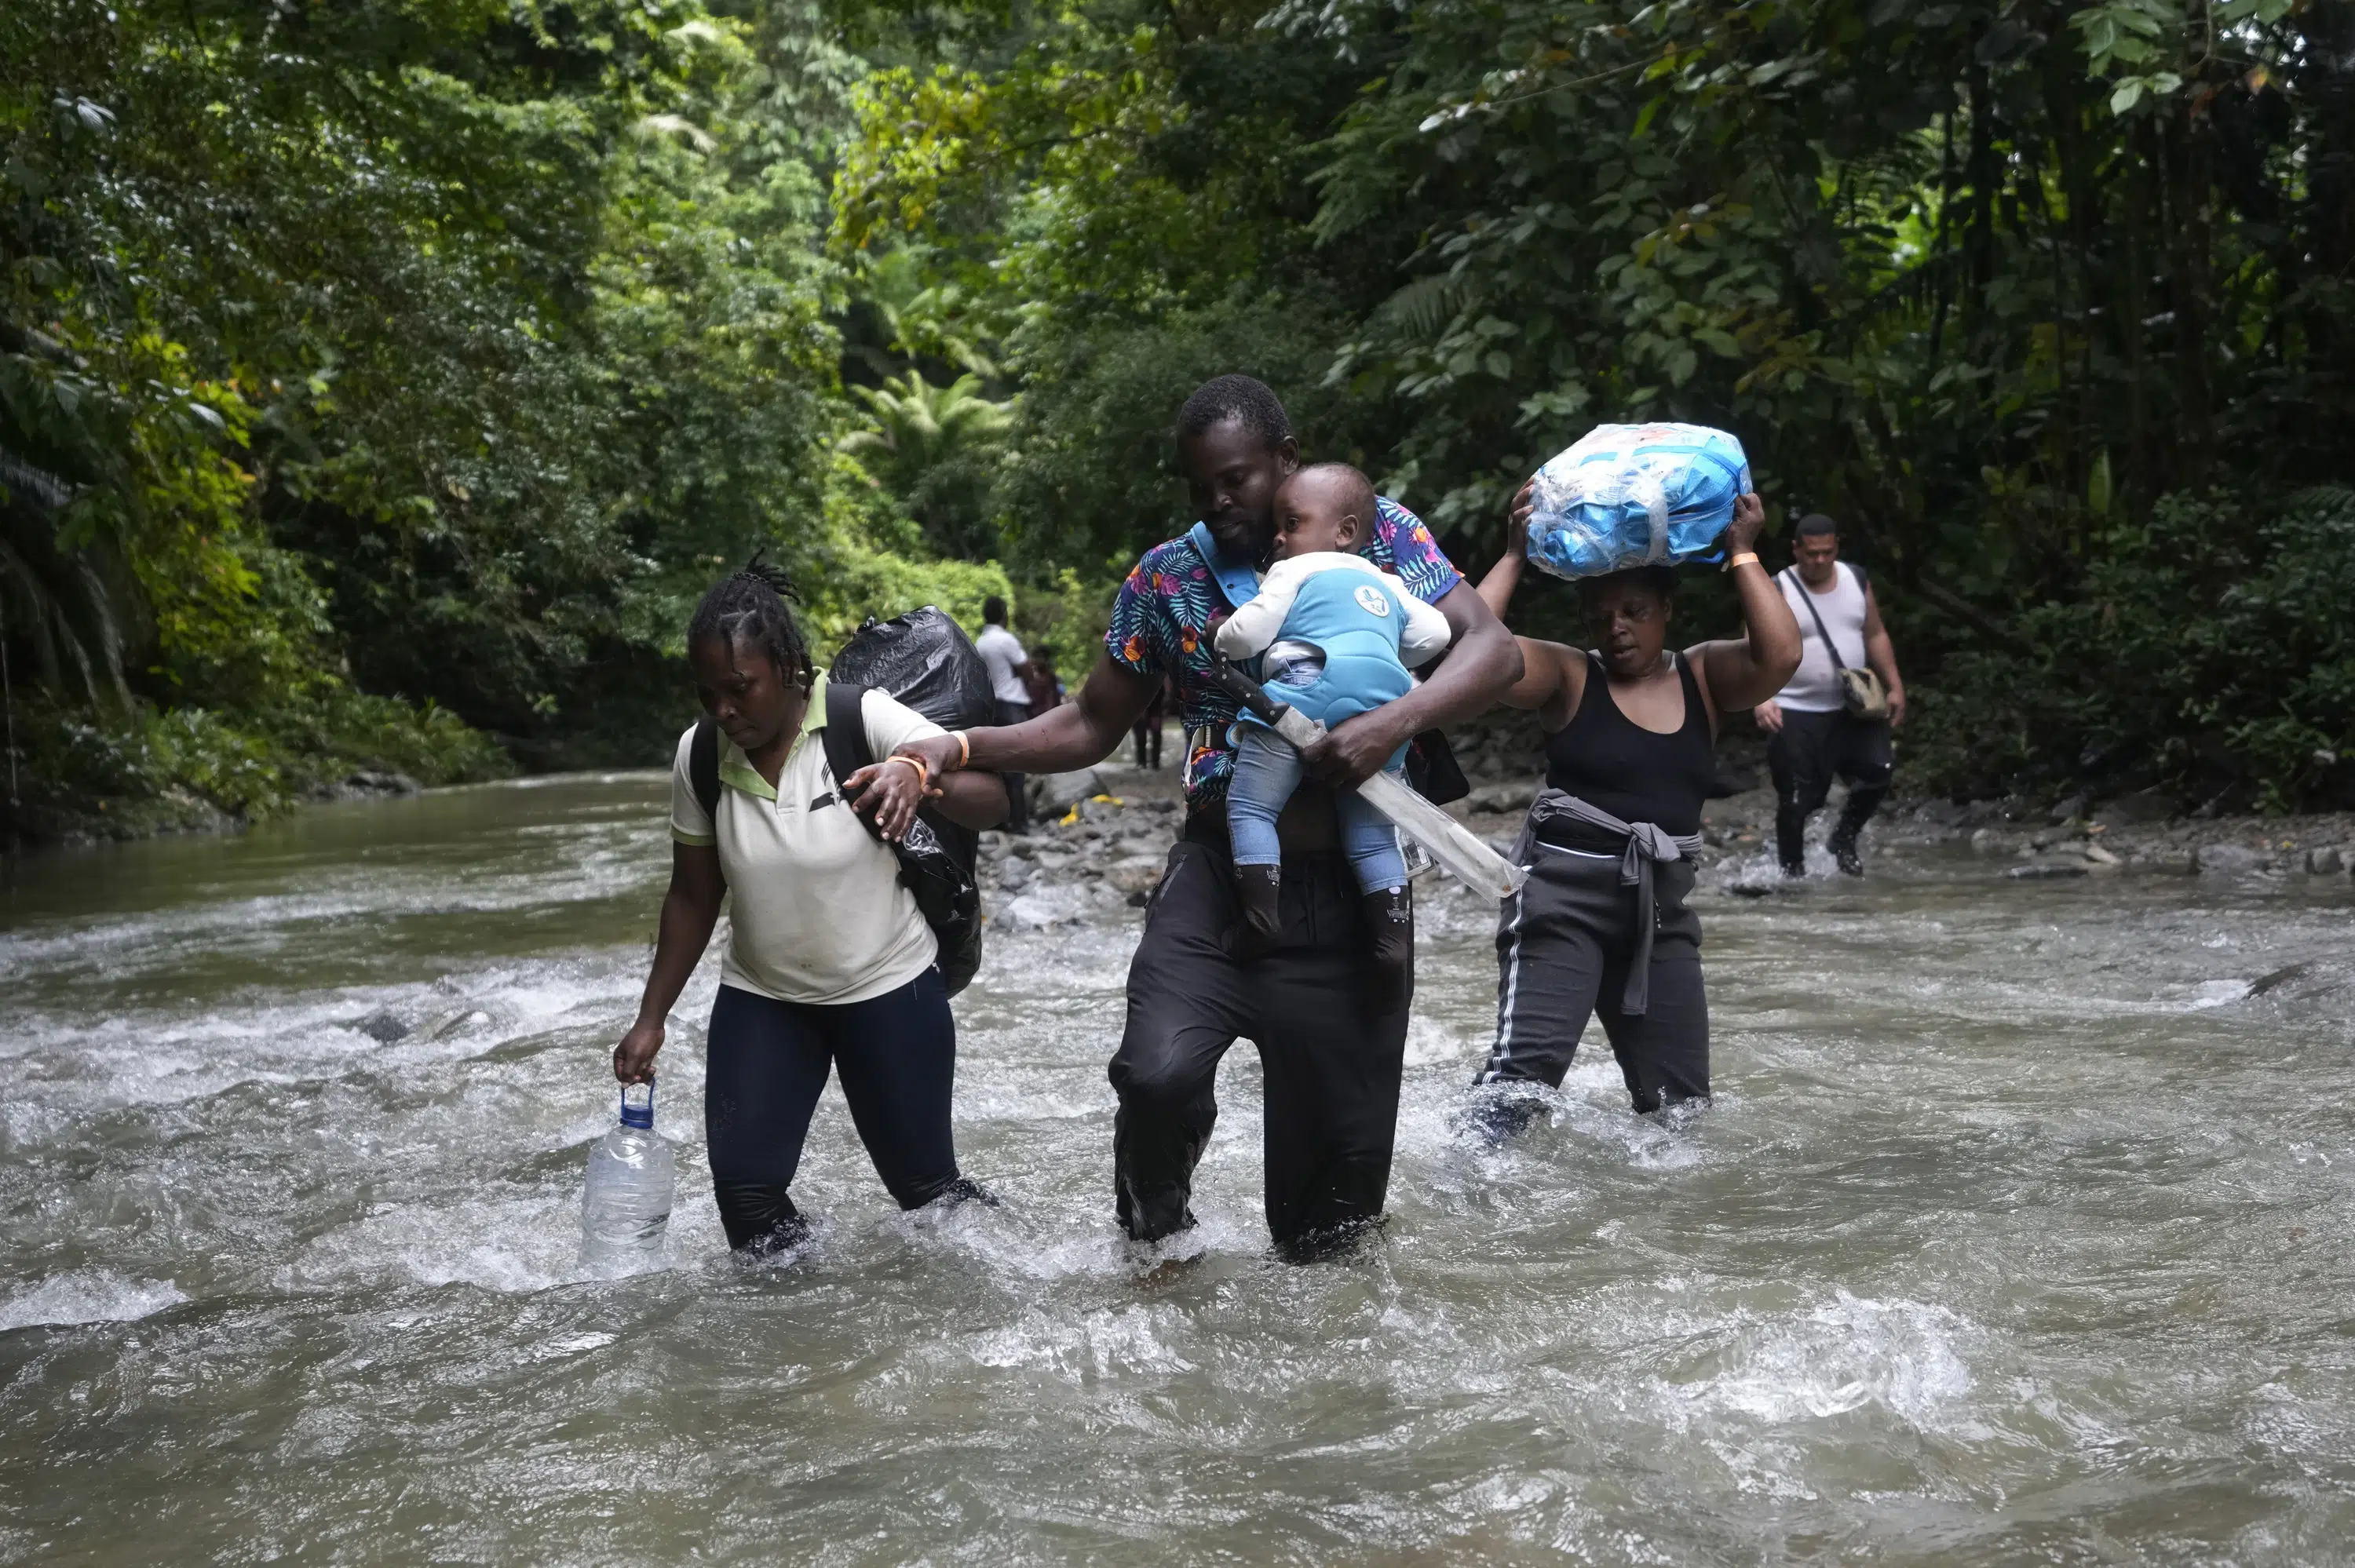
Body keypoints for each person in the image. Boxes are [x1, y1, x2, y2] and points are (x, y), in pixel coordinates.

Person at [889, 374, 1521, 1252]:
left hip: (1355, 894)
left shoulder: (1374, 531)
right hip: (1221, 873)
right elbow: (1089, 723)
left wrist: (1392, 724)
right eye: (1202, 486)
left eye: (1238, 479)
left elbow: (1493, 653)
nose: (1220, 501)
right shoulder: (1168, 577)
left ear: (1287, 460)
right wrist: (954, 746)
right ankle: (1158, 1244)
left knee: (1329, 1233)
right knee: (1154, 1075)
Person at [612, 562, 1009, 1255]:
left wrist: (920, 777)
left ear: (790, 667)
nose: (724, 711)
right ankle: (801, 1338)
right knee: (746, 1195)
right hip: (764, 997)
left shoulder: (862, 717)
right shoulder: (701, 755)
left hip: (888, 989)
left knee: (925, 1191)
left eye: (740, 689)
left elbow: (997, 798)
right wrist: (652, 1019)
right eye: (709, 696)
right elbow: (694, 894)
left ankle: (1019, 1270)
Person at [1470, 487, 1799, 1133]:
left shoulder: (1703, 676)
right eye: (1601, 616)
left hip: (1658, 916)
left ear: (1667, 611)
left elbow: (1782, 655)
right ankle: (1467, 1190)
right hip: (1560, 906)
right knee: (1520, 1088)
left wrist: (1743, 554)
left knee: (1683, 1112)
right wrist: (1514, 552)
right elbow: (1475, 654)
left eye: (1635, 611)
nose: (1616, 627)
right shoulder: (1568, 676)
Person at [1212, 462, 1453, 1008]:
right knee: (1370, 837)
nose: (1279, 536)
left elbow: (1249, 633)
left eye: (1292, 522)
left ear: (1342, 532)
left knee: (1252, 810)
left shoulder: (1294, 570)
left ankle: (1259, 918)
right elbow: (1436, 634)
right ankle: (1392, 942)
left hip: (1309, 687)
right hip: (1383, 710)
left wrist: (1220, 637)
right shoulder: (1386, 581)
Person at [1754, 513, 1906, 877]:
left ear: (1836, 546)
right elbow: (1751, 647)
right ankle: (1792, 873)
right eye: (1811, 554)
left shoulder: (1855, 579)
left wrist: (1895, 685)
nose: (1820, 561)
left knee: (1878, 773)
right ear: (1796, 550)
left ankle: (1843, 838)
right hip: (1794, 709)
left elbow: (1875, 634)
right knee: (1798, 800)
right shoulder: (1777, 588)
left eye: (1827, 552)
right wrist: (1760, 698)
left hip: (1852, 708)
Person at [974, 596, 1033, 834]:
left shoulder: (981, 642)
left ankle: (999, 820)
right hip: (1011, 705)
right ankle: (1020, 822)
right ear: (1003, 615)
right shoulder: (1005, 640)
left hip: (991, 707)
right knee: (1017, 764)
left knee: (996, 764)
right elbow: (1026, 669)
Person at [1130, 678, 1167, 770]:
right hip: (1139, 702)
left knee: (1156, 733)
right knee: (1141, 735)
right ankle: (1142, 762)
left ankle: (1155, 762)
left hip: (1155, 703)